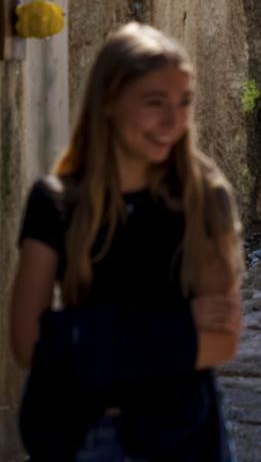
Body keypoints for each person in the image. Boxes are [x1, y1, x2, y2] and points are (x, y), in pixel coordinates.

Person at [10, 24, 244, 462]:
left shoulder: (202, 198)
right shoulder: (56, 202)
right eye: (154, 103)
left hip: (180, 437)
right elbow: (29, 344)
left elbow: (221, 341)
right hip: (75, 434)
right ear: (109, 102)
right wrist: (178, 327)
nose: (172, 122)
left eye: (184, 102)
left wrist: (77, 336)